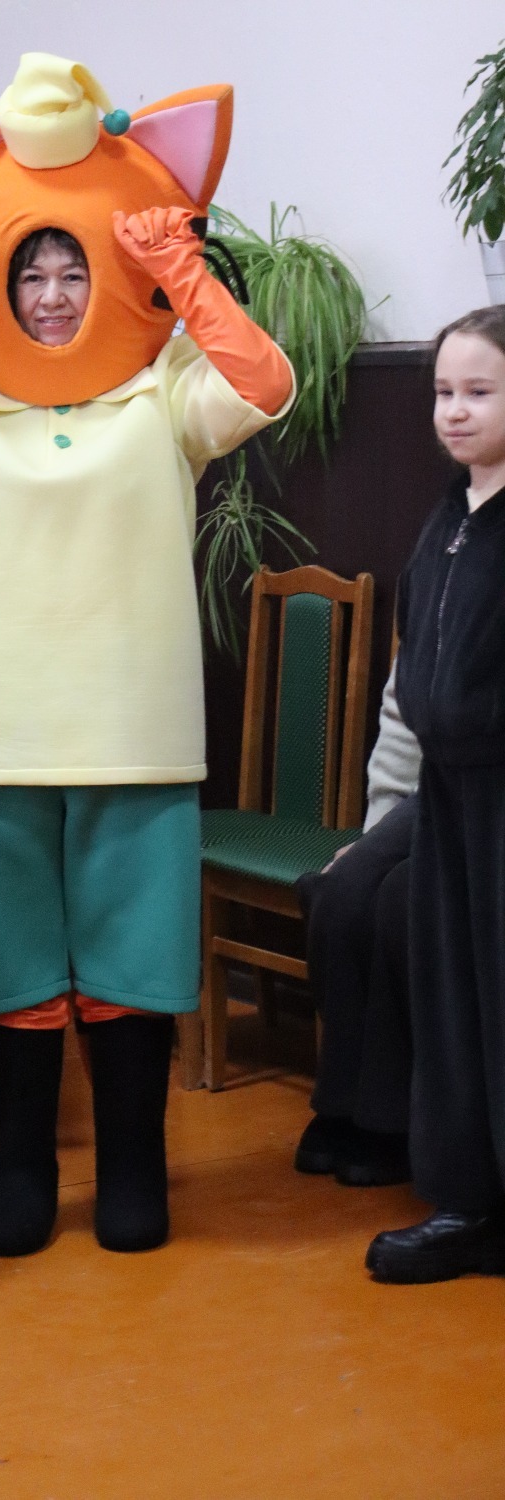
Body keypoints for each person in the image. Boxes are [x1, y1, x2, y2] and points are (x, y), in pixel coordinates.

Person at [0, 55, 294, 1258]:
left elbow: (266, 383)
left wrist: (182, 276)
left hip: (133, 729)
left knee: (133, 962)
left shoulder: (165, 394)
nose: (48, 293)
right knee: (9, 964)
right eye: (28, 272)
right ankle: (19, 1163)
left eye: (70, 269)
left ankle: (134, 1166)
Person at [367, 304, 505, 1282]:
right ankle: (472, 1198)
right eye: (444, 393)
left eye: (479, 393)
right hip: (451, 796)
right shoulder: (451, 511)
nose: (453, 412)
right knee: (457, 995)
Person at [293, 661, 420, 1186]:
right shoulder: (435, 604)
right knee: (345, 890)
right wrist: (374, 841)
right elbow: (402, 725)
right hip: (439, 791)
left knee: (400, 897)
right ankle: (341, 1105)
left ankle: (389, 1123)